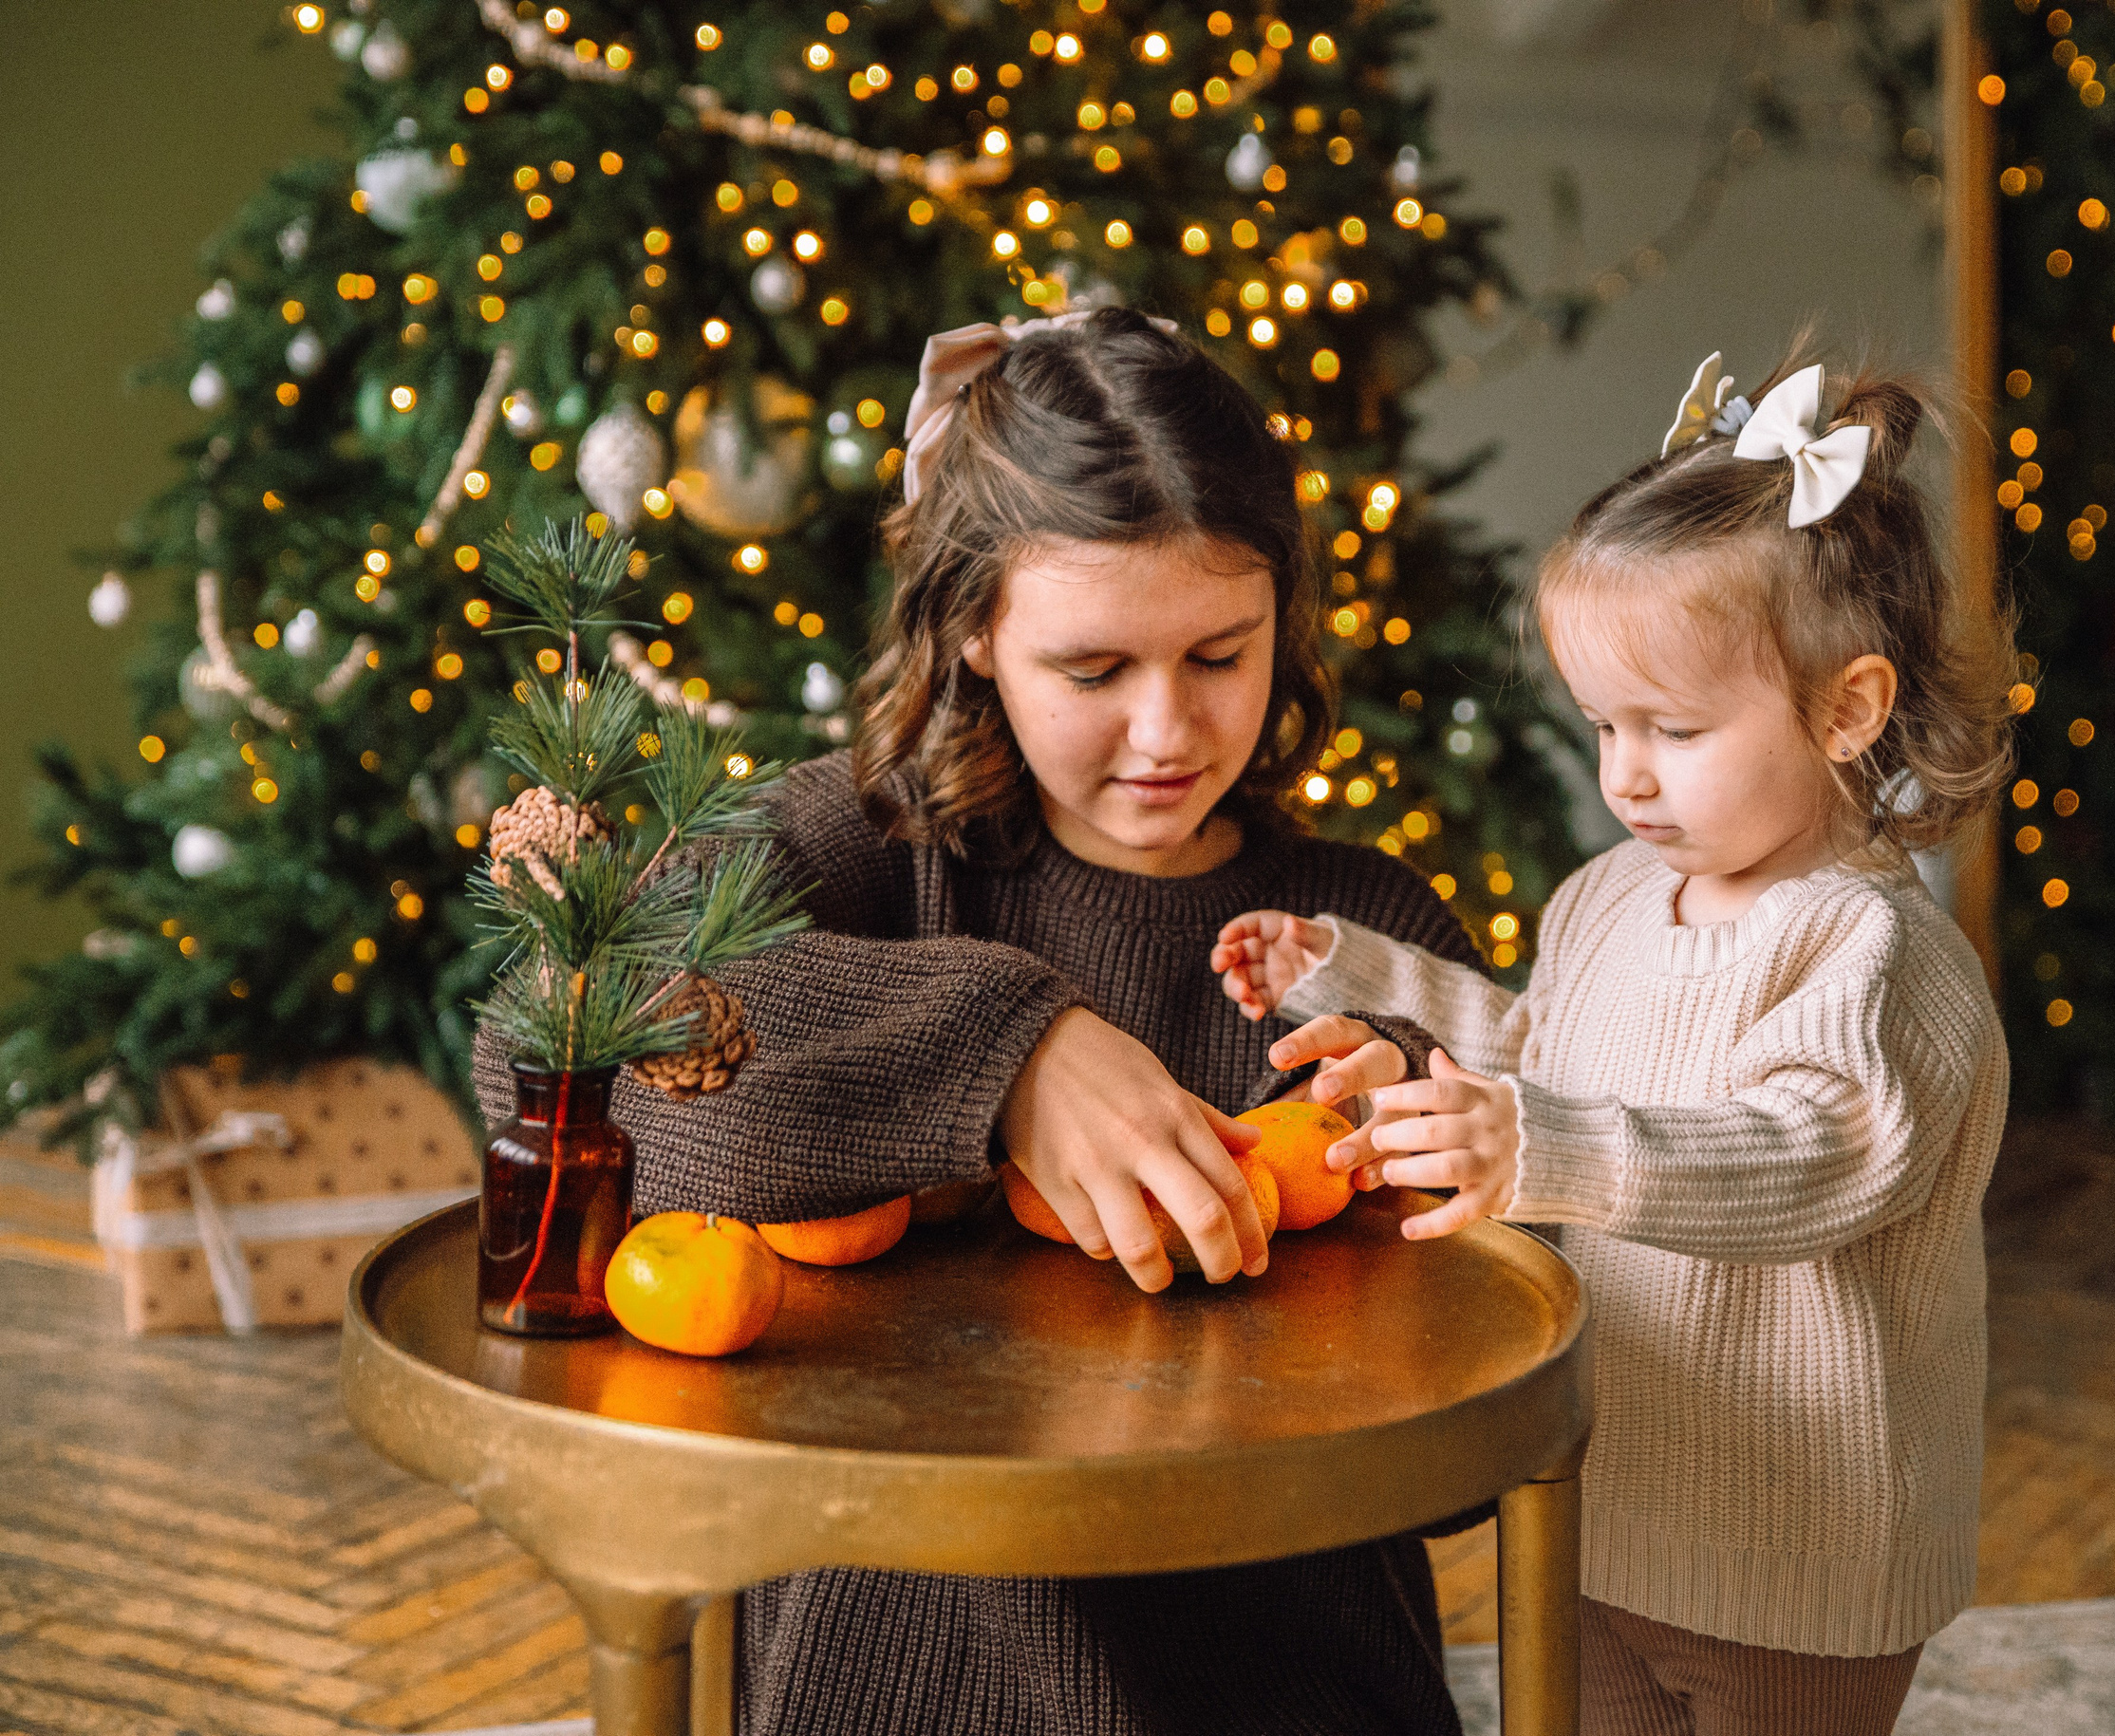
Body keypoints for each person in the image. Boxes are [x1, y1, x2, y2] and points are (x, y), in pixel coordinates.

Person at [476, 308, 1477, 1735]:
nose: (1166, 730)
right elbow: (551, 1026)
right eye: (1092, 670)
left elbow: (1482, 1435)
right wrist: (1006, 1049)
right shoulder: (867, 850)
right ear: (973, 631)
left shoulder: (1371, 933)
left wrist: (1442, 1139)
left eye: (1220, 655)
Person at [1213, 348, 2016, 1735]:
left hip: (1798, 1547)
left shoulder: (1872, 952)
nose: (1624, 772)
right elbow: (1547, 1045)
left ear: (1849, 710)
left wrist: (1543, 1146)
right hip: (1605, 1494)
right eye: (1600, 723)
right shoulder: (1610, 894)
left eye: (1675, 728)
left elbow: (1808, 1158)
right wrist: (1355, 973)